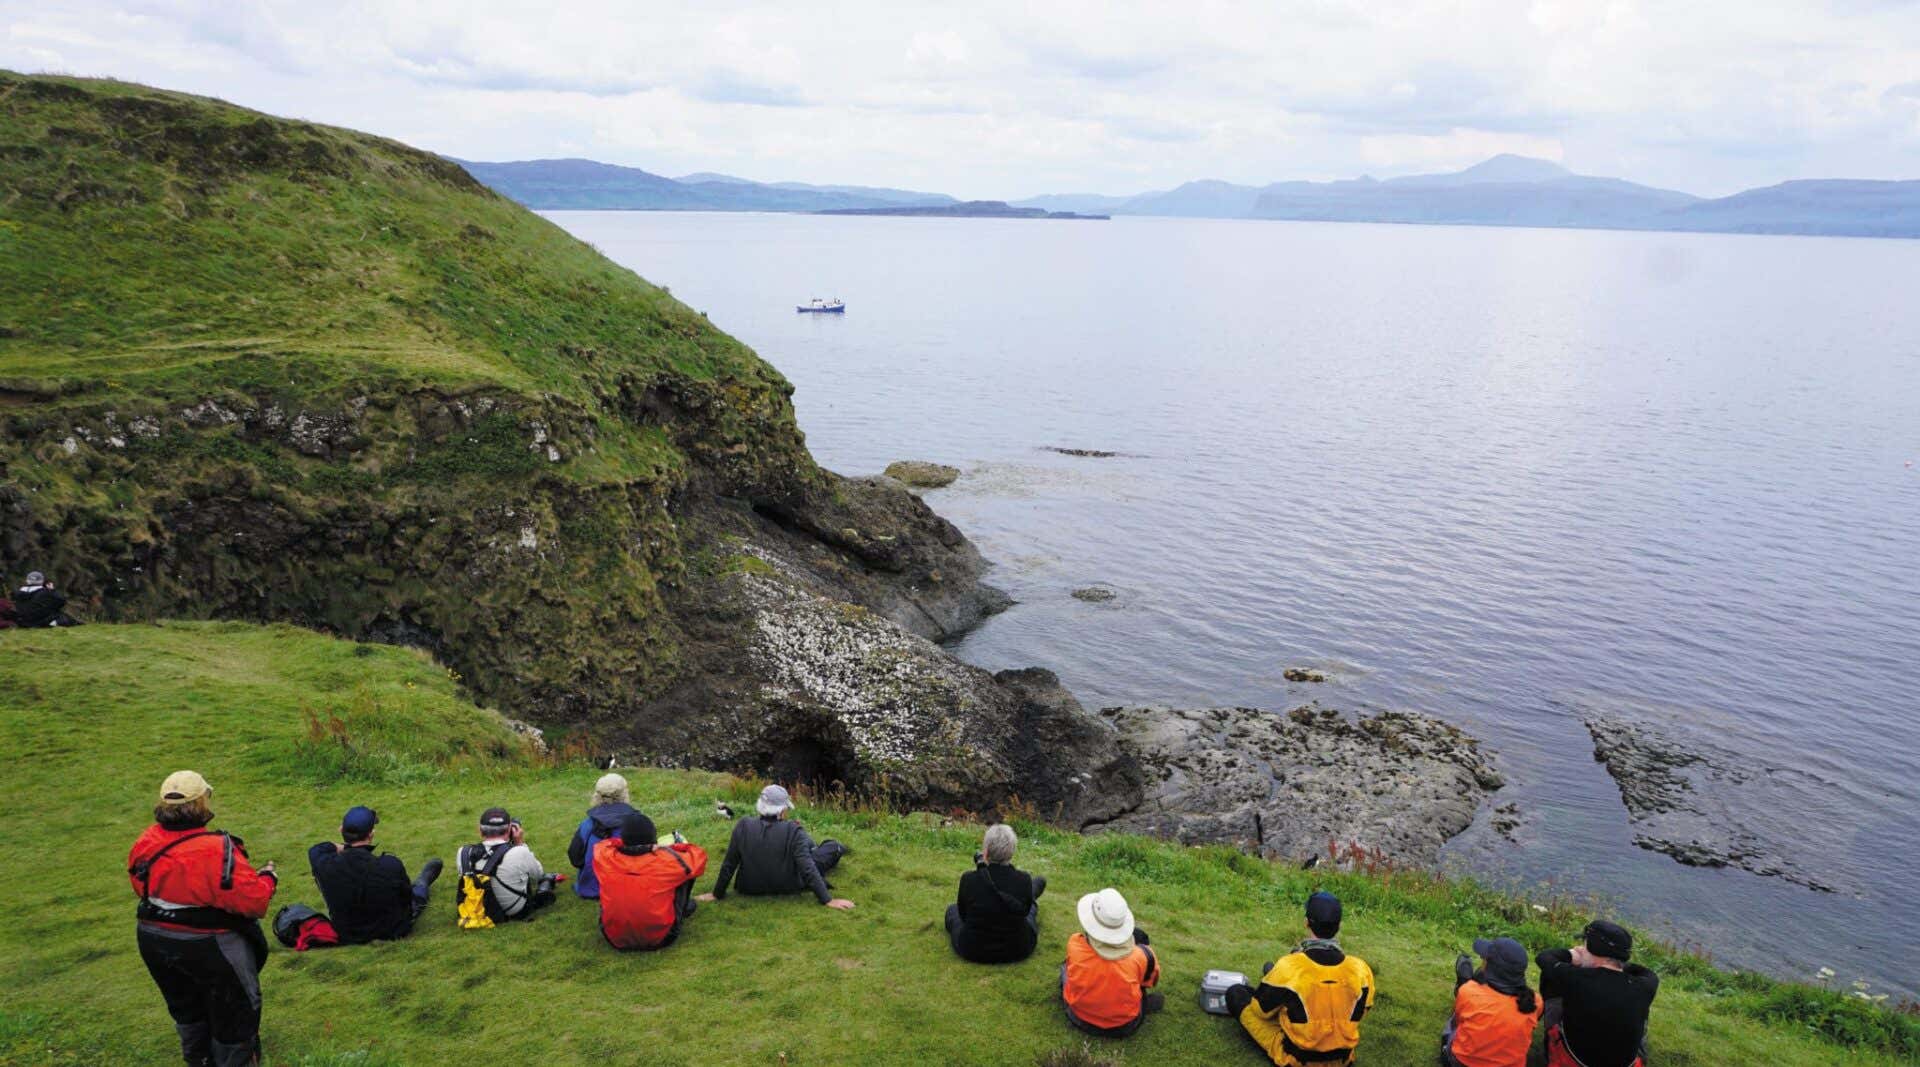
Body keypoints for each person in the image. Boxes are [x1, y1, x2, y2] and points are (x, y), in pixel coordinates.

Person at [127, 771, 278, 1067]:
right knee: (235, 1011)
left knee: (185, 1006)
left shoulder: (147, 840)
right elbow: (254, 902)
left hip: (153, 936)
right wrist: (268, 878)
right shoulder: (217, 849)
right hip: (210, 944)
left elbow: (139, 883)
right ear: (202, 803)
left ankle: (197, 1059)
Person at [1226, 892, 1375, 1066]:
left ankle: (1272, 985)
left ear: (1306, 923)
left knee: (1236, 993)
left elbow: (1260, 1011)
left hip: (1297, 1059)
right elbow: (1362, 1011)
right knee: (1286, 993)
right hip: (1342, 1060)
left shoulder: (1290, 966)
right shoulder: (1360, 968)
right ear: (1339, 926)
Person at [698, 785, 853, 910]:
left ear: (760, 806)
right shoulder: (794, 829)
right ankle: (838, 847)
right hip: (789, 885)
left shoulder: (743, 825)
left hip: (749, 887)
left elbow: (729, 863)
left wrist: (716, 894)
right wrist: (827, 900)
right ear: (782, 810)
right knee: (830, 847)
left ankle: (818, 847)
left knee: (809, 847)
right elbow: (807, 867)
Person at [306, 806, 444, 944]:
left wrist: (346, 847)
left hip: (347, 933)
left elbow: (318, 848)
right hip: (391, 931)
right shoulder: (390, 864)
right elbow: (406, 898)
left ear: (341, 829)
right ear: (371, 835)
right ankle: (423, 882)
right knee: (416, 895)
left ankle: (422, 883)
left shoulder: (324, 862)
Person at [1537, 920, 1659, 1067]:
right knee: (1640, 1007)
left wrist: (1572, 956)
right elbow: (1647, 973)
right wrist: (1615, 961)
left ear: (1594, 948)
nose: (1581, 948)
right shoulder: (1646, 985)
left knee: (1550, 977)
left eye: (1585, 945)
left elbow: (1544, 958)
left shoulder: (1575, 978)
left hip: (1574, 1062)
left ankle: (1552, 1039)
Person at [593, 811, 708, 950]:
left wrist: (628, 844)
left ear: (623, 837)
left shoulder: (605, 857)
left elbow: (604, 844)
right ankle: (681, 909)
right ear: (654, 839)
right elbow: (698, 855)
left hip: (613, 937)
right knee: (686, 872)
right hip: (662, 938)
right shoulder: (668, 861)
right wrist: (669, 848)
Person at [1060, 887, 1162, 1037]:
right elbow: (1149, 982)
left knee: (1065, 968)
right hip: (1124, 1026)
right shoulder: (1144, 956)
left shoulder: (1075, 943)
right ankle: (1137, 1005)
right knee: (1138, 982)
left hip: (1078, 1016)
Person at [945, 823, 1047, 963]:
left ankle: (1033, 892)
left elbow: (963, 915)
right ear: (1012, 851)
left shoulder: (969, 879)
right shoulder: (1023, 880)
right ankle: (1033, 892)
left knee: (952, 910)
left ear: (985, 852)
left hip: (973, 949)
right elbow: (1024, 912)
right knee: (1030, 913)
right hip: (1018, 949)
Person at [1441, 936, 1541, 1067]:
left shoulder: (1469, 992)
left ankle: (1463, 980)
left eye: (1484, 958)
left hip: (1461, 1063)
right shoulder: (1536, 1001)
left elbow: (1459, 1022)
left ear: (1489, 965)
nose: (1483, 959)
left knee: (1453, 1023)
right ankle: (1465, 979)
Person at [456, 807, 557, 921]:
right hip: (511, 911)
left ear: (480, 830)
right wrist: (519, 843)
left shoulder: (463, 852)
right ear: (510, 829)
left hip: (476, 909)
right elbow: (538, 874)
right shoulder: (519, 851)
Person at [567, 772, 638, 899]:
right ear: (624, 794)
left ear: (598, 796)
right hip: (627, 888)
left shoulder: (587, 825)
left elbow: (575, 858)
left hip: (590, 889)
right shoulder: (637, 823)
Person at [13, 571, 80, 628]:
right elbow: (61, 601)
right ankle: (54, 623)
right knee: (63, 617)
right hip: (42, 621)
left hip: (24, 622)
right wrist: (52, 590)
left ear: (27, 581)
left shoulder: (17, 593)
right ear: (42, 581)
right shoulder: (45, 592)